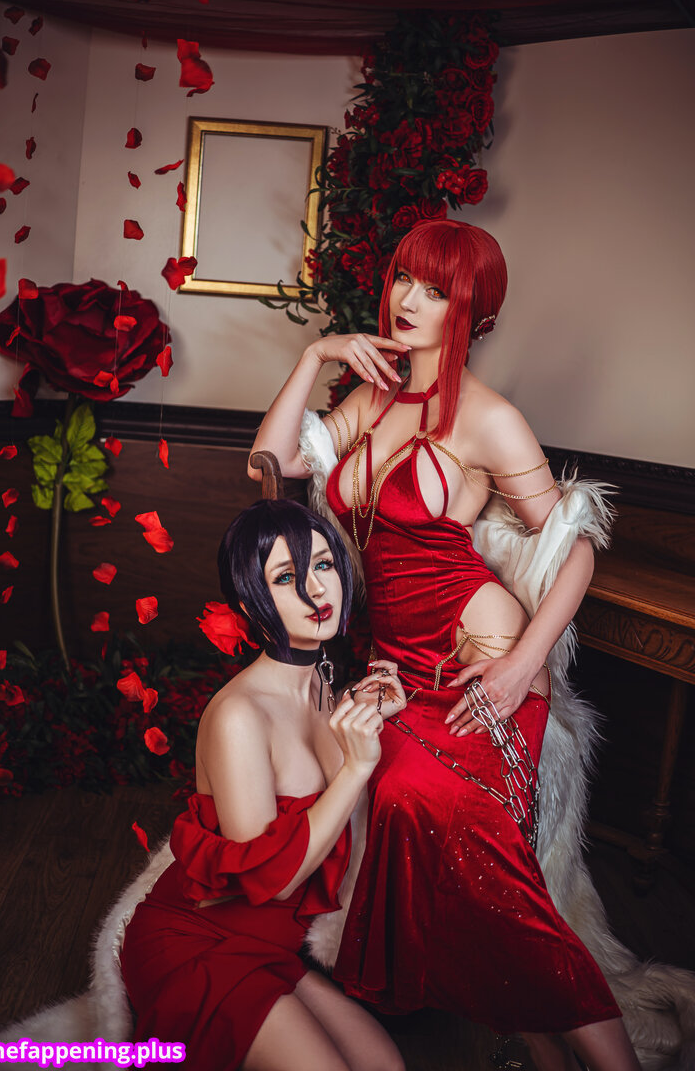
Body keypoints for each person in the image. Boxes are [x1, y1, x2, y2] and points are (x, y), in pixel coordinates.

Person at [249, 220, 643, 1071]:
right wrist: (317, 354)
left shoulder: (491, 419)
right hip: (397, 665)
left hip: (480, 657)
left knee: (458, 833)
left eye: (435, 290)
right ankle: (540, 1047)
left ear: (472, 310)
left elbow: (577, 545)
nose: (408, 300)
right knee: (402, 806)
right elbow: (270, 467)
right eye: (403, 278)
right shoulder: (370, 401)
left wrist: (523, 666)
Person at [120, 499, 407, 1071]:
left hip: (271, 948)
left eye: (323, 565)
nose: (315, 590)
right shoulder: (238, 715)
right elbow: (269, 882)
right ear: (252, 602)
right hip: (198, 943)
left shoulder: (326, 688)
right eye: (285, 577)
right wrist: (355, 768)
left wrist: (368, 712)